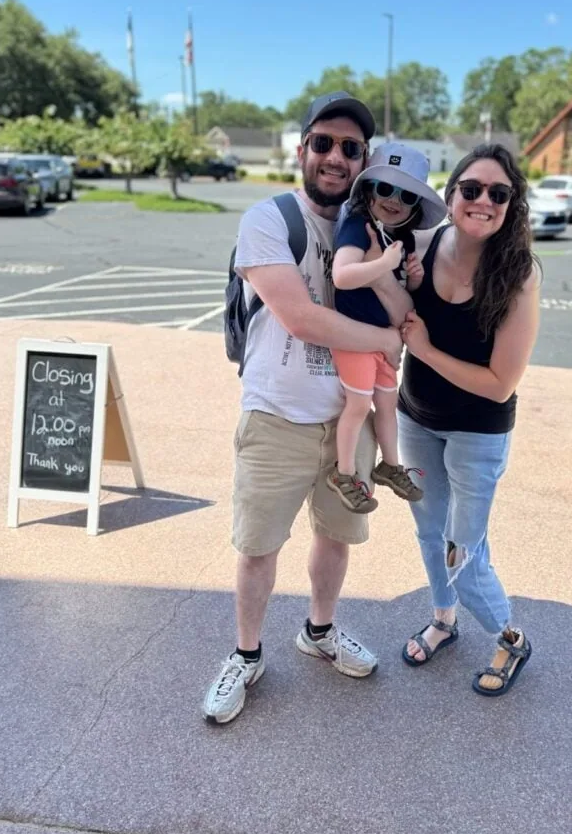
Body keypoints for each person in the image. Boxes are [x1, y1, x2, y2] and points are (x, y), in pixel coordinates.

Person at [203, 92, 409, 725]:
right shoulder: (269, 220)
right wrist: (385, 341)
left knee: (336, 535)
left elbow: (408, 306)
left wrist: (388, 284)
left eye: (351, 148)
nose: (335, 157)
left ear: (364, 160)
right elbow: (300, 317)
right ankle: (246, 654)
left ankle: (319, 631)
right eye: (323, 143)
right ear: (302, 150)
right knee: (259, 546)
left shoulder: (373, 226)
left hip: (346, 417)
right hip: (276, 415)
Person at [397, 143, 541, 697]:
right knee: (429, 532)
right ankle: (443, 620)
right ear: (452, 194)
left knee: (464, 548)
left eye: (498, 194)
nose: (483, 201)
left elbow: (501, 382)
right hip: (416, 419)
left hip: (478, 431)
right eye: (472, 189)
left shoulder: (519, 275)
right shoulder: (424, 247)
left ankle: (510, 635)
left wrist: (426, 350)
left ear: (511, 206)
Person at [327, 143, 447, 514]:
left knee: (387, 404)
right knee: (359, 404)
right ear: (368, 190)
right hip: (356, 336)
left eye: (407, 194)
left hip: (383, 342)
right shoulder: (358, 228)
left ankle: (390, 465)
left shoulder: (403, 238)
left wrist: (411, 278)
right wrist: (384, 263)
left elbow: (400, 295)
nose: (394, 200)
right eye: (385, 188)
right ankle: (343, 472)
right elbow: (343, 276)